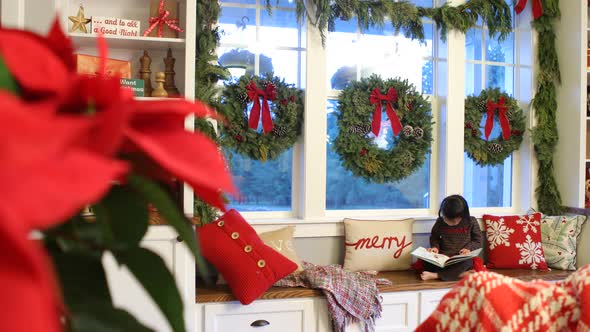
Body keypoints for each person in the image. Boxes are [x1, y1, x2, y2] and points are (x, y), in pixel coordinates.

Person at [420, 195, 483, 281]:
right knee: (425, 261)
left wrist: (468, 248)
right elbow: (434, 238)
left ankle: (436, 275)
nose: (451, 223)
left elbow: (478, 241)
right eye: (447, 219)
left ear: (463, 215)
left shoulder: (471, 222)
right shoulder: (440, 222)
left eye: (454, 221)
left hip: (461, 258)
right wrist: (435, 247)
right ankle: (461, 275)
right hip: (443, 257)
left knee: (467, 262)